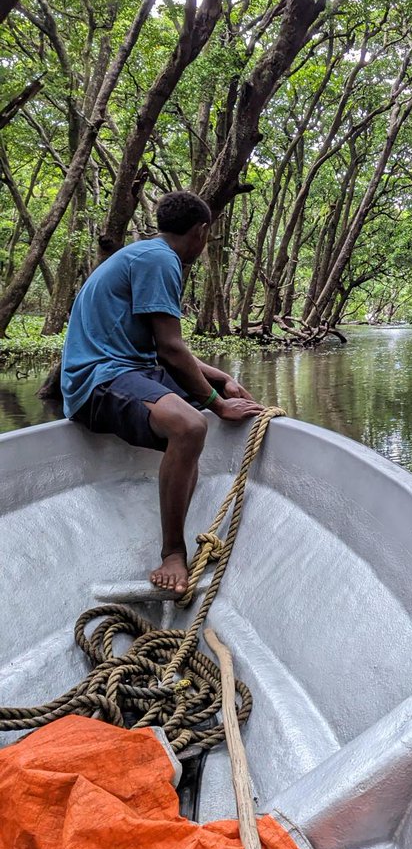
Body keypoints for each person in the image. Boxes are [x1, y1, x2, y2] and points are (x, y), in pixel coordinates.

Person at [61, 190, 264, 595]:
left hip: (131, 370)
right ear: (201, 231)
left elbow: (161, 350)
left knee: (210, 401)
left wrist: (219, 378)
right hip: (99, 381)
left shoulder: (146, 254)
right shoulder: (159, 260)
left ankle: (182, 468)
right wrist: (216, 403)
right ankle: (173, 551)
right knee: (190, 427)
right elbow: (171, 350)